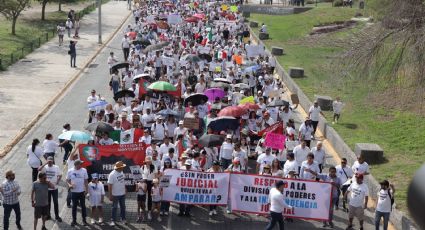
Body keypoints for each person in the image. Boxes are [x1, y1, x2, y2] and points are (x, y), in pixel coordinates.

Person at [38, 157, 63, 222]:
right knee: (47, 202)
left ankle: (57, 216)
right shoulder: (45, 167)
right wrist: (44, 164)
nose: (50, 162)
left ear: (53, 161)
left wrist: (58, 180)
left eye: (51, 161)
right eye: (48, 161)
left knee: (56, 202)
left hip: (54, 188)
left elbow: (60, 175)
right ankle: (48, 215)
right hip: (47, 188)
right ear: (47, 161)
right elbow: (39, 169)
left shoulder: (56, 167)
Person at [66, 159, 88, 227]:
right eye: (80, 164)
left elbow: (86, 180)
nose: (81, 165)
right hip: (74, 192)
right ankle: (74, 220)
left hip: (81, 191)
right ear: (76, 165)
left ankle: (84, 220)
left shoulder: (84, 170)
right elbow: (67, 179)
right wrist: (69, 185)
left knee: (83, 207)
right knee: (74, 207)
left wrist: (86, 189)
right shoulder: (70, 171)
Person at [108, 161, 128, 226]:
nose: (123, 168)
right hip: (115, 194)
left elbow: (123, 181)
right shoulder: (112, 174)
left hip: (122, 194)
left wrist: (125, 188)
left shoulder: (121, 172)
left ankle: (123, 219)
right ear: (118, 168)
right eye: (122, 167)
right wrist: (110, 195)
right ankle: (112, 220)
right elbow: (110, 185)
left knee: (123, 207)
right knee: (114, 207)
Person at [141, 156, 158, 220]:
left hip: (151, 183)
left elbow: (156, 177)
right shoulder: (142, 167)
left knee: (150, 198)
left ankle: (149, 212)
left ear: (151, 161)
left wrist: (155, 184)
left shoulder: (154, 167)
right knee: (143, 197)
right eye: (147, 161)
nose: (148, 162)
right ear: (145, 161)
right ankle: (143, 211)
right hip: (144, 183)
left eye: (149, 161)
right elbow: (141, 176)